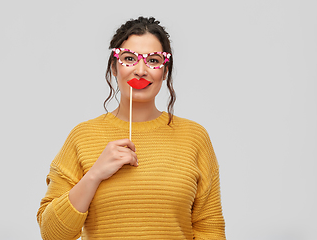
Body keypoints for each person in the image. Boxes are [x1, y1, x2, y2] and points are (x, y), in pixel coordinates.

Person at [37, 16, 226, 240]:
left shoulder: (194, 137)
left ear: (165, 72)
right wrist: (95, 175)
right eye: (129, 58)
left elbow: (210, 230)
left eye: (153, 61)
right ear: (114, 67)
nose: (140, 70)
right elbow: (51, 234)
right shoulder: (82, 136)